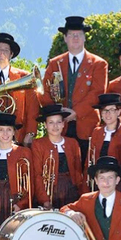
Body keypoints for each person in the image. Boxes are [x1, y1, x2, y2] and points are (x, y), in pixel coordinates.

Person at [38, 16, 108, 154]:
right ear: (65, 38)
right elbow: (45, 90)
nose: (75, 38)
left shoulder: (99, 64)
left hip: (86, 125)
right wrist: (58, 114)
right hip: (60, 126)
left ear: (84, 38)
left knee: (86, 167)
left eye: (79, 35)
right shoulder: (55, 63)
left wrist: (76, 112)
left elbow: (97, 93)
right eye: (71, 35)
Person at [31, 104, 86, 209]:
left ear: (63, 124)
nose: (55, 126)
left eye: (58, 122)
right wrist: (44, 199)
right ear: (45, 125)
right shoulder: (38, 144)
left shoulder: (73, 143)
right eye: (51, 122)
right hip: (50, 192)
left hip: (71, 191)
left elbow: (78, 172)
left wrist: (80, 195)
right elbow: (37, 175)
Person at [88, 93, 121, 192]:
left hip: (120, 184)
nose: (108, 114)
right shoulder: (96, 132)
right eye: (104, 110)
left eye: (112, 110)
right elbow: (90, 159)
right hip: (99, 183)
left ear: (118, 112)